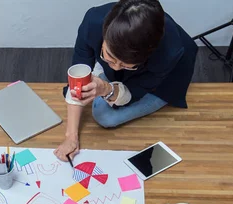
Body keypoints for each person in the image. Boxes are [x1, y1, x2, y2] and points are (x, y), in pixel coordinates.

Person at [55, 0, 198, 161]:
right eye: (109, 57)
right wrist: (71, 137)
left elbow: (132, 94)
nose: (115, 68)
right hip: (135, 63)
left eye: (125, 64)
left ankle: (114, 75)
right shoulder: (92, 21)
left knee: (106, 117)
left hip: (167, 78)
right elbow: (77, 74)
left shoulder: (168, 52)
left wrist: (106, 89)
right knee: (102, 93)